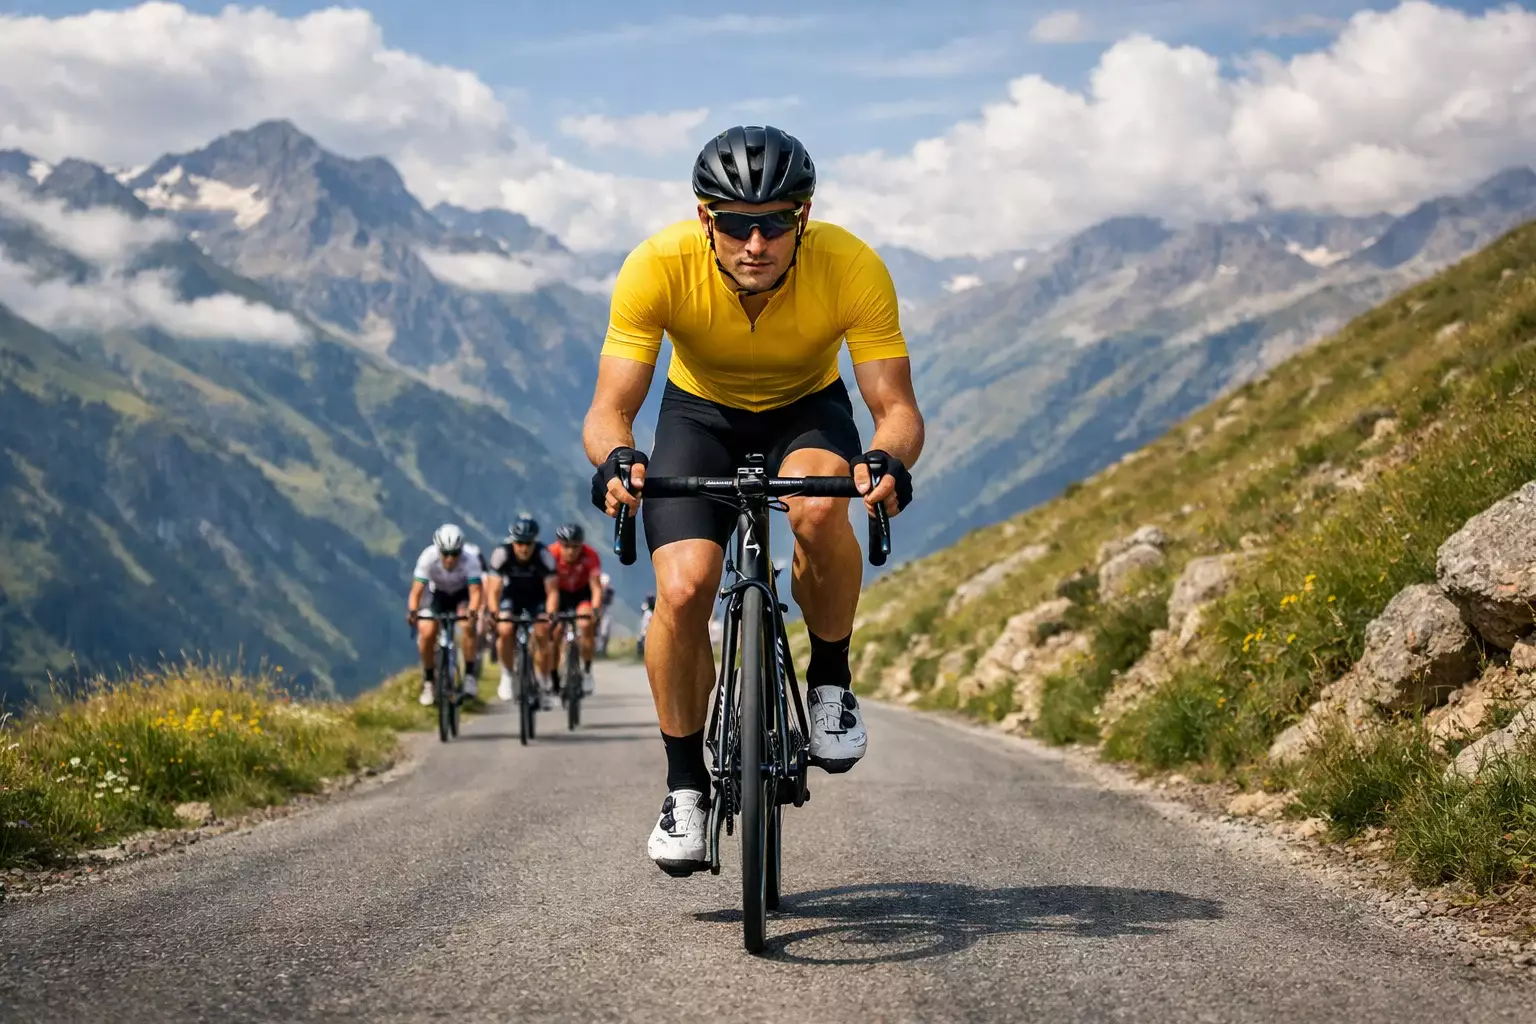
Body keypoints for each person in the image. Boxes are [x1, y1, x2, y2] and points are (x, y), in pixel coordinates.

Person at [584, 125, 923, 875]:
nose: (755, 241)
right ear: (705, 218)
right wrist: (616, 459)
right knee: (683, 587)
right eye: (735, 223)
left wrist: (885, 459)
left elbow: (895, 408)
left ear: (804, 216)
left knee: (818, 507)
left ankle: (829, 677)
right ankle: (684, 788)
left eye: (775, 221)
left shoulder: (851, 266)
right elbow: (610, 407)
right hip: (697, 416)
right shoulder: (657, 266)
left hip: (807, 409)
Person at [484, 514, 560, 708]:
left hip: (537, 599)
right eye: (519, 543)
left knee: (543, 632)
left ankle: (543, 684)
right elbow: (493, 590)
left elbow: (552, 591)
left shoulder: (544, 555)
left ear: (534, 541)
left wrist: (550, 614)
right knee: (505, 630)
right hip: (511, 598)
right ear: (512, 541)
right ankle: (508, 674)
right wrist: (493, 612)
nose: (523, 548)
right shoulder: (502, 554)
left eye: (528, 543)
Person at [406, 524, 485, 705]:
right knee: (426, 632)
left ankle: (470, 676)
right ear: (438, 550)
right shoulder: (428, 557)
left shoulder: (471, 560)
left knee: (467, 625)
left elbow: (475, 593)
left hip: (461, 595)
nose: (450, 559)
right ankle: (429, 682)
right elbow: (417, 591)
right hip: (439, 596)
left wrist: (472, 612)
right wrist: (412, 611)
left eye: (455, 554)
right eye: (445, 554)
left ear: (461, 550)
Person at [548, 522, 604, 697]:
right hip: (559, 593)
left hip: (582, 593)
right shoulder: (550, 554)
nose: (571, 551)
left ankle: (587, 671)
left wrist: (596, 609)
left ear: (581, 545)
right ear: (559, 544)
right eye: (566, 546)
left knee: (586, 624)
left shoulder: (590, 555)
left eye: (575, 546)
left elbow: (596, 587)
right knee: (554, 631)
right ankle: (553, 675)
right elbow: (550, 588)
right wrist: (551, 612)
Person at [594, 572, 617, 657]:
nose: (605, 585)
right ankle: (596, 649)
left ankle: (604, 650)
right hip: (596, 610)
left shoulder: (610, 591)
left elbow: (609, 602)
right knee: (596, 630)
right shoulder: (595, 589)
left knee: (605, 631)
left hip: (605, 610)